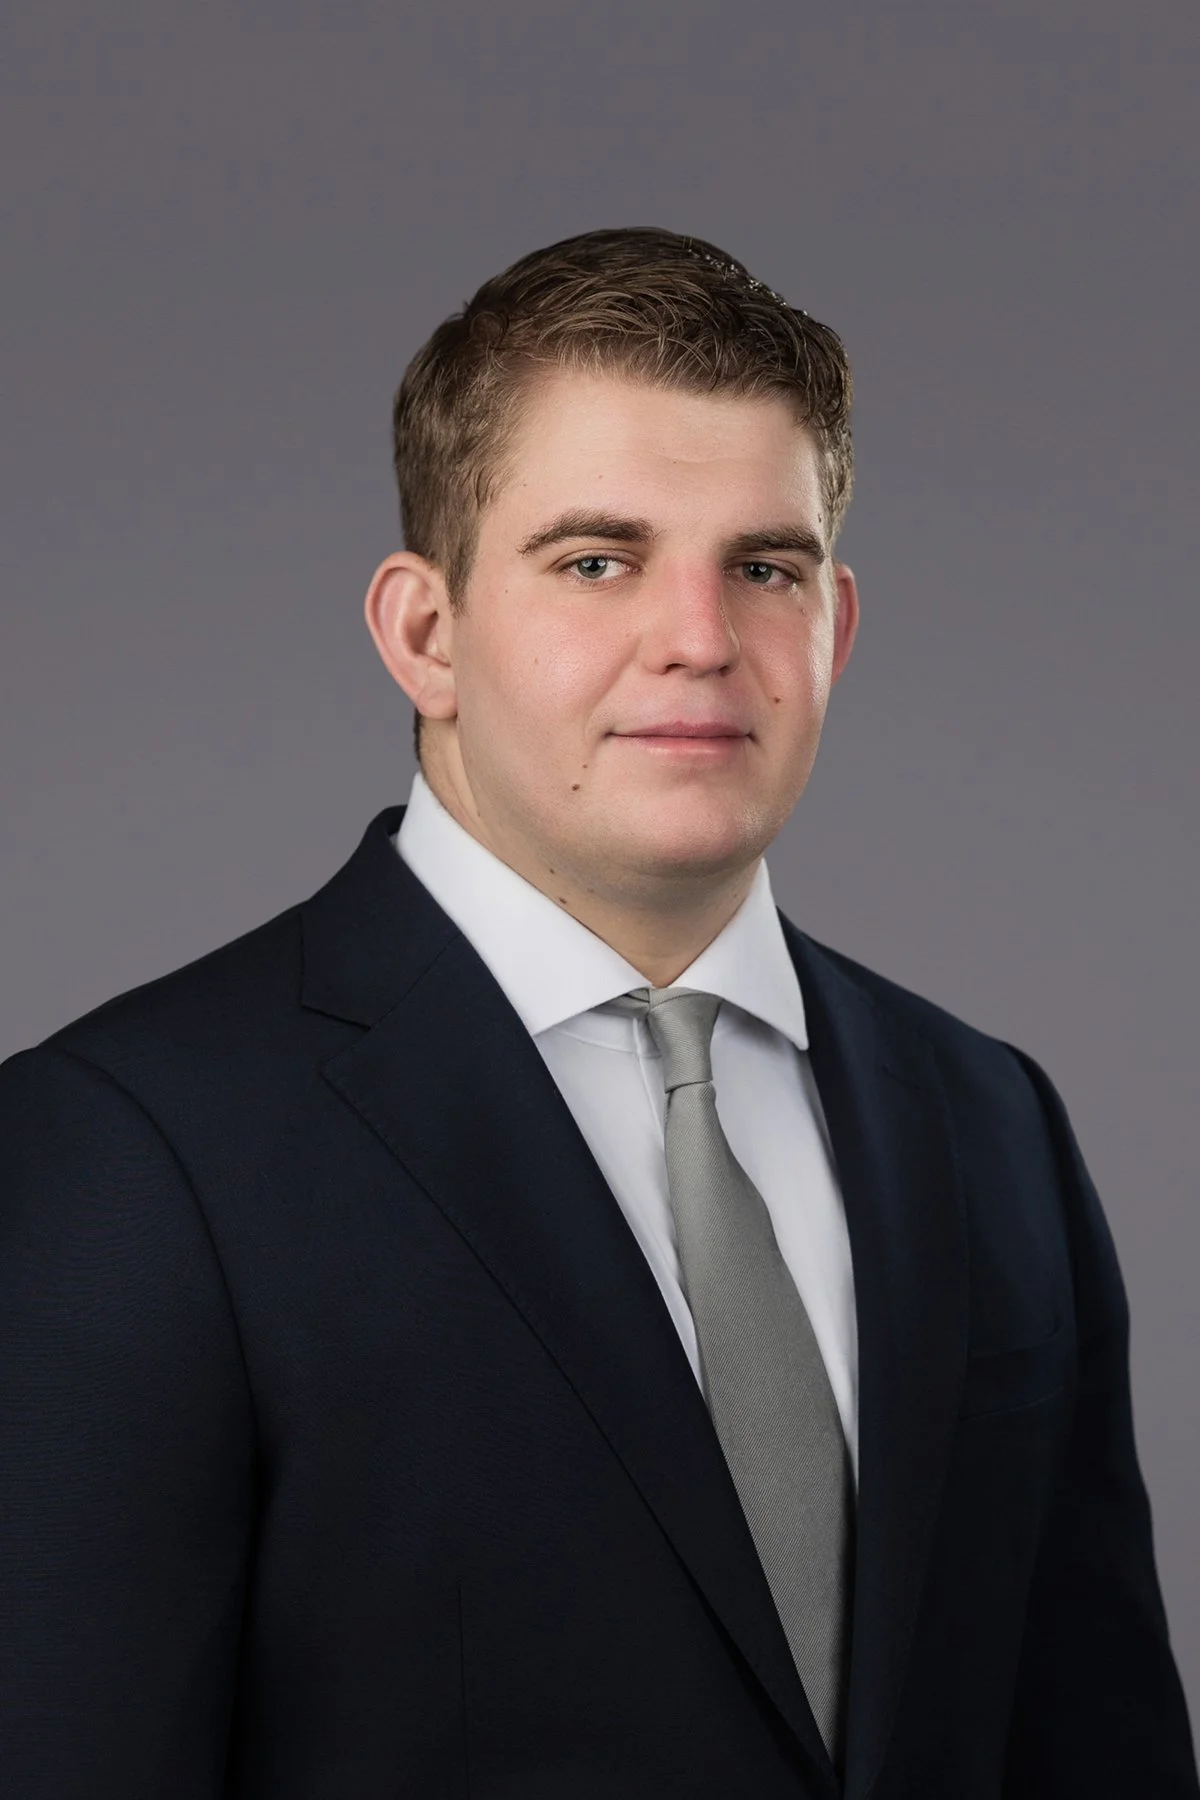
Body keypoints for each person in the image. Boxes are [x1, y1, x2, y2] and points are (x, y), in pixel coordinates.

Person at [0, 227, 1195, 1800]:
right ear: (425, 632)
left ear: (833, 628)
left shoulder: (993, 1125)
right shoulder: (125, 1156)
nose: (700, 638)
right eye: (597, 560)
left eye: (764, 568)